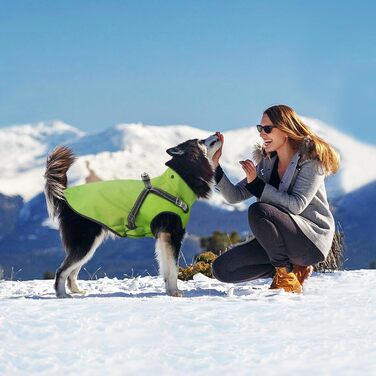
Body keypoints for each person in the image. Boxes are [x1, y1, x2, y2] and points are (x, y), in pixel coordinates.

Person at [211, 104, 340, 293]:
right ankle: (293, 269)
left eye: (267, 129)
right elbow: (234, 196)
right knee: (222, 269)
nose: (262, 134)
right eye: (260, 129)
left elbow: (296, 205)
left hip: (310, 241)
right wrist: (215, 165)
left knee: (259, 210)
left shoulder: (311, 160)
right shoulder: (267, 163)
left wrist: (257, 185)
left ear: (285, 130)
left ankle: (286, 275)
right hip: (280, 242)